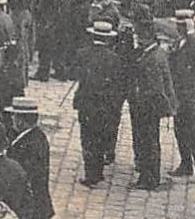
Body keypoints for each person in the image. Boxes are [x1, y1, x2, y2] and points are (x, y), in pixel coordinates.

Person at [125, 12, 176, 191]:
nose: (138, 39)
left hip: (147, 108)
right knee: (149, 141)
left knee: (148, 142)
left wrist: (139, 100)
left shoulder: (152, 59)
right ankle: (147, 175)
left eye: (140, 36)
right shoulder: (155, 53)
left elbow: (155, 89)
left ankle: (149, 178)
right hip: (148, 106)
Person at [74, 20, 124, 186]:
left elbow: (77, 74)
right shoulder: (115, 58)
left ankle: (91, 174)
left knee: (87, 137)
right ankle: (99, 171)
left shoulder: (82, 54)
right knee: (101, 135)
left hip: (87, 102)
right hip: (105, 104)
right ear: (108, 39)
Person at [167, 9, 195, 188]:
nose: (178, 28)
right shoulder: (178, 42)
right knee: (180, 131)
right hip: (180, 95)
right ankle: (186, 164)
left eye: (182, 25)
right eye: (178, 24)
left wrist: (192, 33)